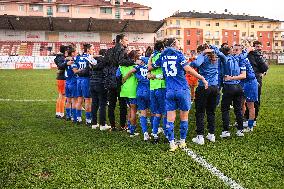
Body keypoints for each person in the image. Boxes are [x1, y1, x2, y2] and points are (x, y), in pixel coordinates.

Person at [149, 38, 208, 152]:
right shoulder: (179, 55)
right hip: (182, 89)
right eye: (178, 43)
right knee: (184, 117)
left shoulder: (162, 56)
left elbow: (150, 68)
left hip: (169, 90)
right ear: (173, 45)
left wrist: (150, 58)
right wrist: (202, 78)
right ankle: (182, 142)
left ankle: (171, 143)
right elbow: (188, 69)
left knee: (170, 119)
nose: (179, 45)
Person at [190, 44, 226, 145]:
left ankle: (200, 136)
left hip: (204, 87)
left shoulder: (204, 58)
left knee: (200, 112)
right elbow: (225, 59)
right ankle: (211, 134)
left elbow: (196, 64)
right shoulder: (216, 58)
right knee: (211, 111)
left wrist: (202, 54)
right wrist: (217, 52)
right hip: (215, 87)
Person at [220, 44, 253, 138]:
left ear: (240, 51)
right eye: (233, 50)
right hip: (238, 87)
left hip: (231, 87)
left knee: (226, 109)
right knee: (238, 109)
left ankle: (226, 131)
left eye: (236, 50)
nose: (235, 52)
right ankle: (240, 130)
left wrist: (230, 78)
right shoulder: (239, 59)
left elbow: (244, 75)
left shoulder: (237, 60)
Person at [103, 34, 133, 131]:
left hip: (110, 80)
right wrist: (133, 62)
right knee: (122, 104)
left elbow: (104, 64)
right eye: (126, 40)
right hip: (118, 80)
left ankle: (113, 126)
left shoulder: (109, 51)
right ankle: (123, 125)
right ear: (120, 41)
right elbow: (121, 62)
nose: (127, 42)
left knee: (111, 105)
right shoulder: (122, 50)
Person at [122, 56, 151, 141]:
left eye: (140, 59)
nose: (138, 61)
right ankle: (154, 131)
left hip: (139, 91)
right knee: (153, 112)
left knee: (142, 112)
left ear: (142, 61)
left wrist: (124, 79)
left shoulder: (138, 67)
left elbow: (131, 71)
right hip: (149, 90)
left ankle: (145, 133)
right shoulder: (150, 67)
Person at [147, 40, 167, 144]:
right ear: (162, 48)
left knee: (156, 113)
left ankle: (154, 134)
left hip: (152, 87)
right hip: (161, 86)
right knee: (165, 112)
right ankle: (167, 135)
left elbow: (148, 72)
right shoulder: (162, 56)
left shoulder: (152, 56)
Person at [246, 41, 269, 125]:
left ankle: (253, 119)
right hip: (251, 79)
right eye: (257, 46)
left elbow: (265, 67)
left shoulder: (259, 55)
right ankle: (249, 118)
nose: (258, 48)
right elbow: (264, 67)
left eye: (260, 46)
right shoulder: (254, 55)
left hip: (254, 80)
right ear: (253, 47)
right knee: (249, 100)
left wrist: (263, 71)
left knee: (254, 100)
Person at [117, 50, 138, 137]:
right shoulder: (135, 66)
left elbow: (117, 76)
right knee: (133, 110)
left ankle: (129, 127)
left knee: (130, 109)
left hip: (124, 90)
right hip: (133, 90)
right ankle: (132, 131)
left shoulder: (120, 67)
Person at [72, 44, 94, 126]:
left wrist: (79, 71)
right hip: (86, 80)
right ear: (88, 50)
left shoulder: (78, 57)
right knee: (88, 100)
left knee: (79, 99)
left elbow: (74, 70)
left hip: (78, 80)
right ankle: (88, 120)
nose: (93, 51)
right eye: (92, 49)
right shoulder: (90, 58)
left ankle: (78, 119)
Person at [90, 49, 111, 130]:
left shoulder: (93, 60)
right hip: (101, 83)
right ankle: (102, 124)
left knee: (94, 104)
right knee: (102, 104)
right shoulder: (104, 61)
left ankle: (94, 123)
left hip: (92, 83)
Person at [64, 46, 78, 122]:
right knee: (74, 101)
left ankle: (68, 115)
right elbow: (75, 70)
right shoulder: (73, 61)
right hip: (73, 82)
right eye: (76, 52)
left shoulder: (66, 61)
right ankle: (74, 117)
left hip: (67, 82)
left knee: (68, 100)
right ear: (72, 53)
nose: (77, 53)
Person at [54, 45, 68, 119]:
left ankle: (58, 113)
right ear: (64, 51)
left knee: (60, 96)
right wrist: (66, 63)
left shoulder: (59, 57)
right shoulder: (61, 58)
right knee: (63, 96)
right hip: (62, 78)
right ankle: (61, 114)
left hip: (60, 78)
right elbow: (60, 66)